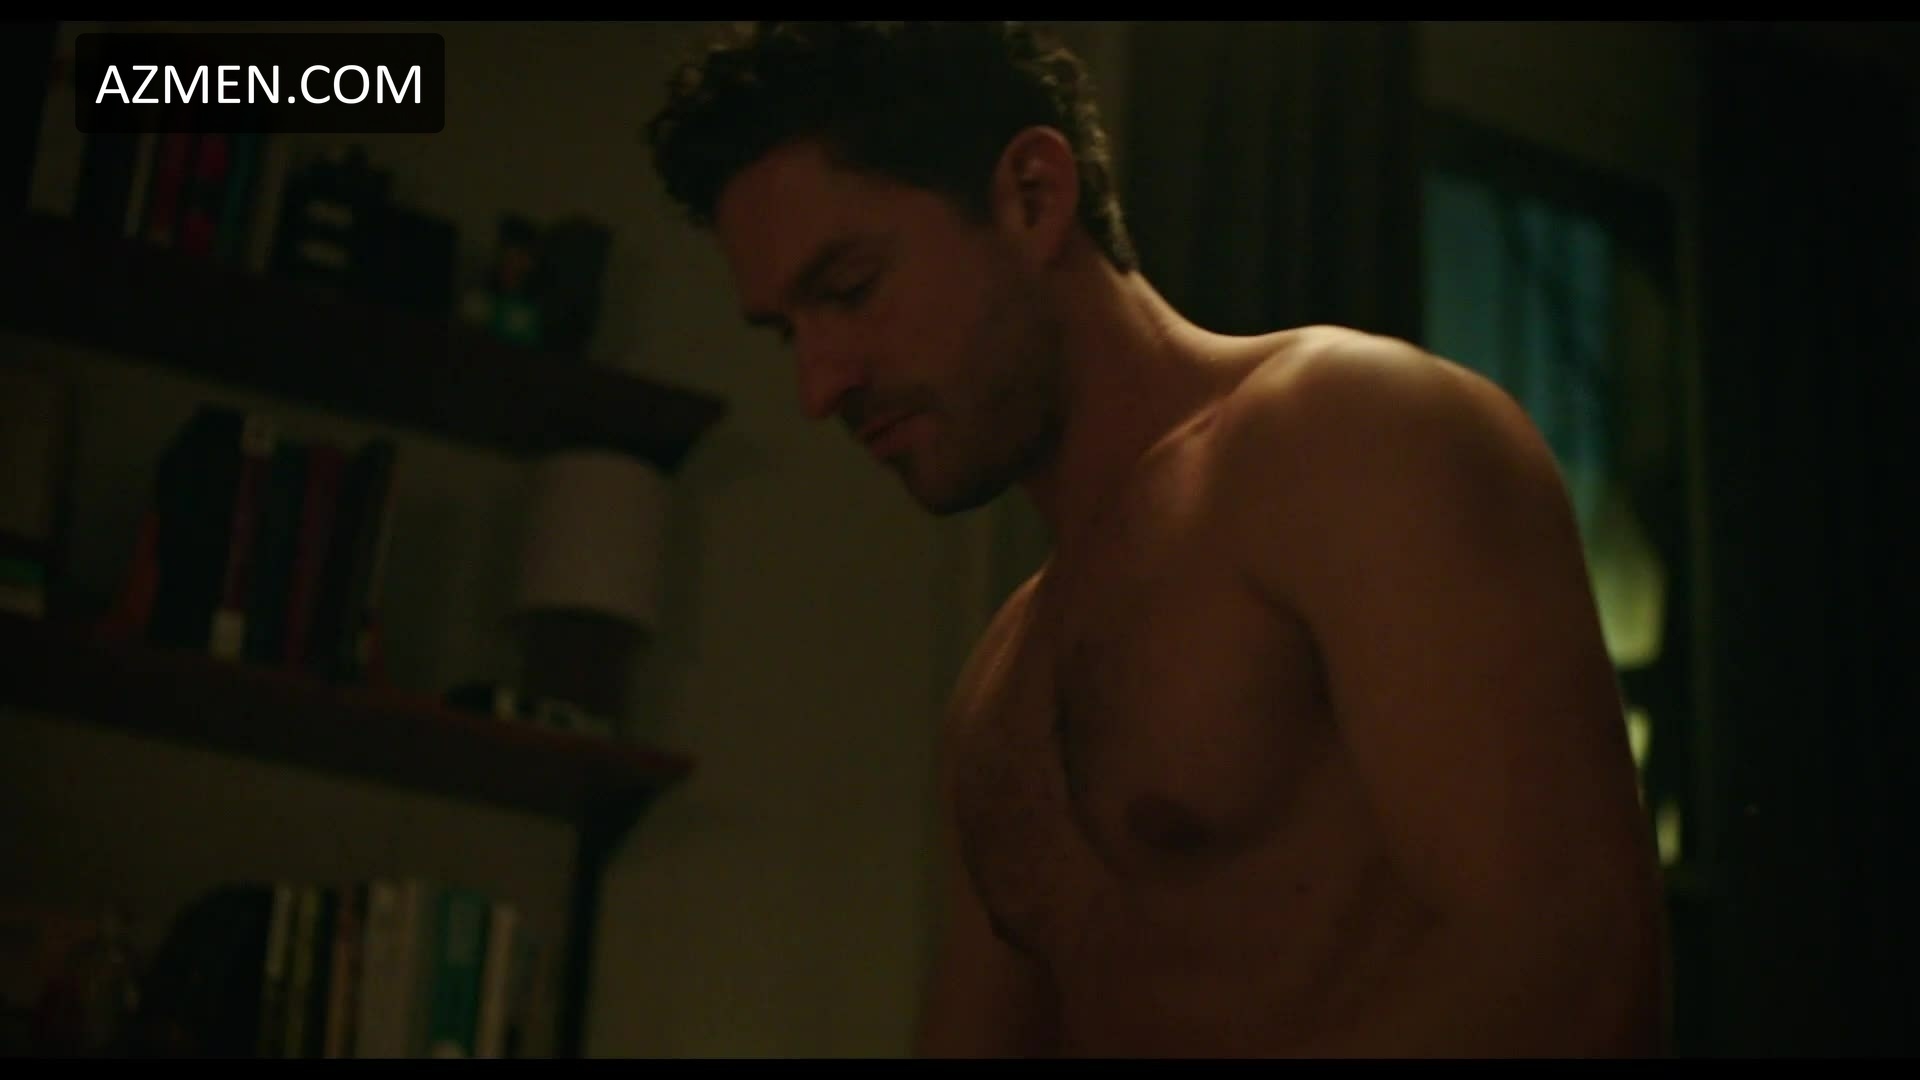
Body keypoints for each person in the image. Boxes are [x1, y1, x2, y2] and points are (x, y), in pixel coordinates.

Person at [644, 21, 1669, 1058]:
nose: (819, 386)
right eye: (788, 331)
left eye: (850, 288)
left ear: (1033, 196)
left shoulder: (1348, 430)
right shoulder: (997, 694)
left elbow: (1574, 971)